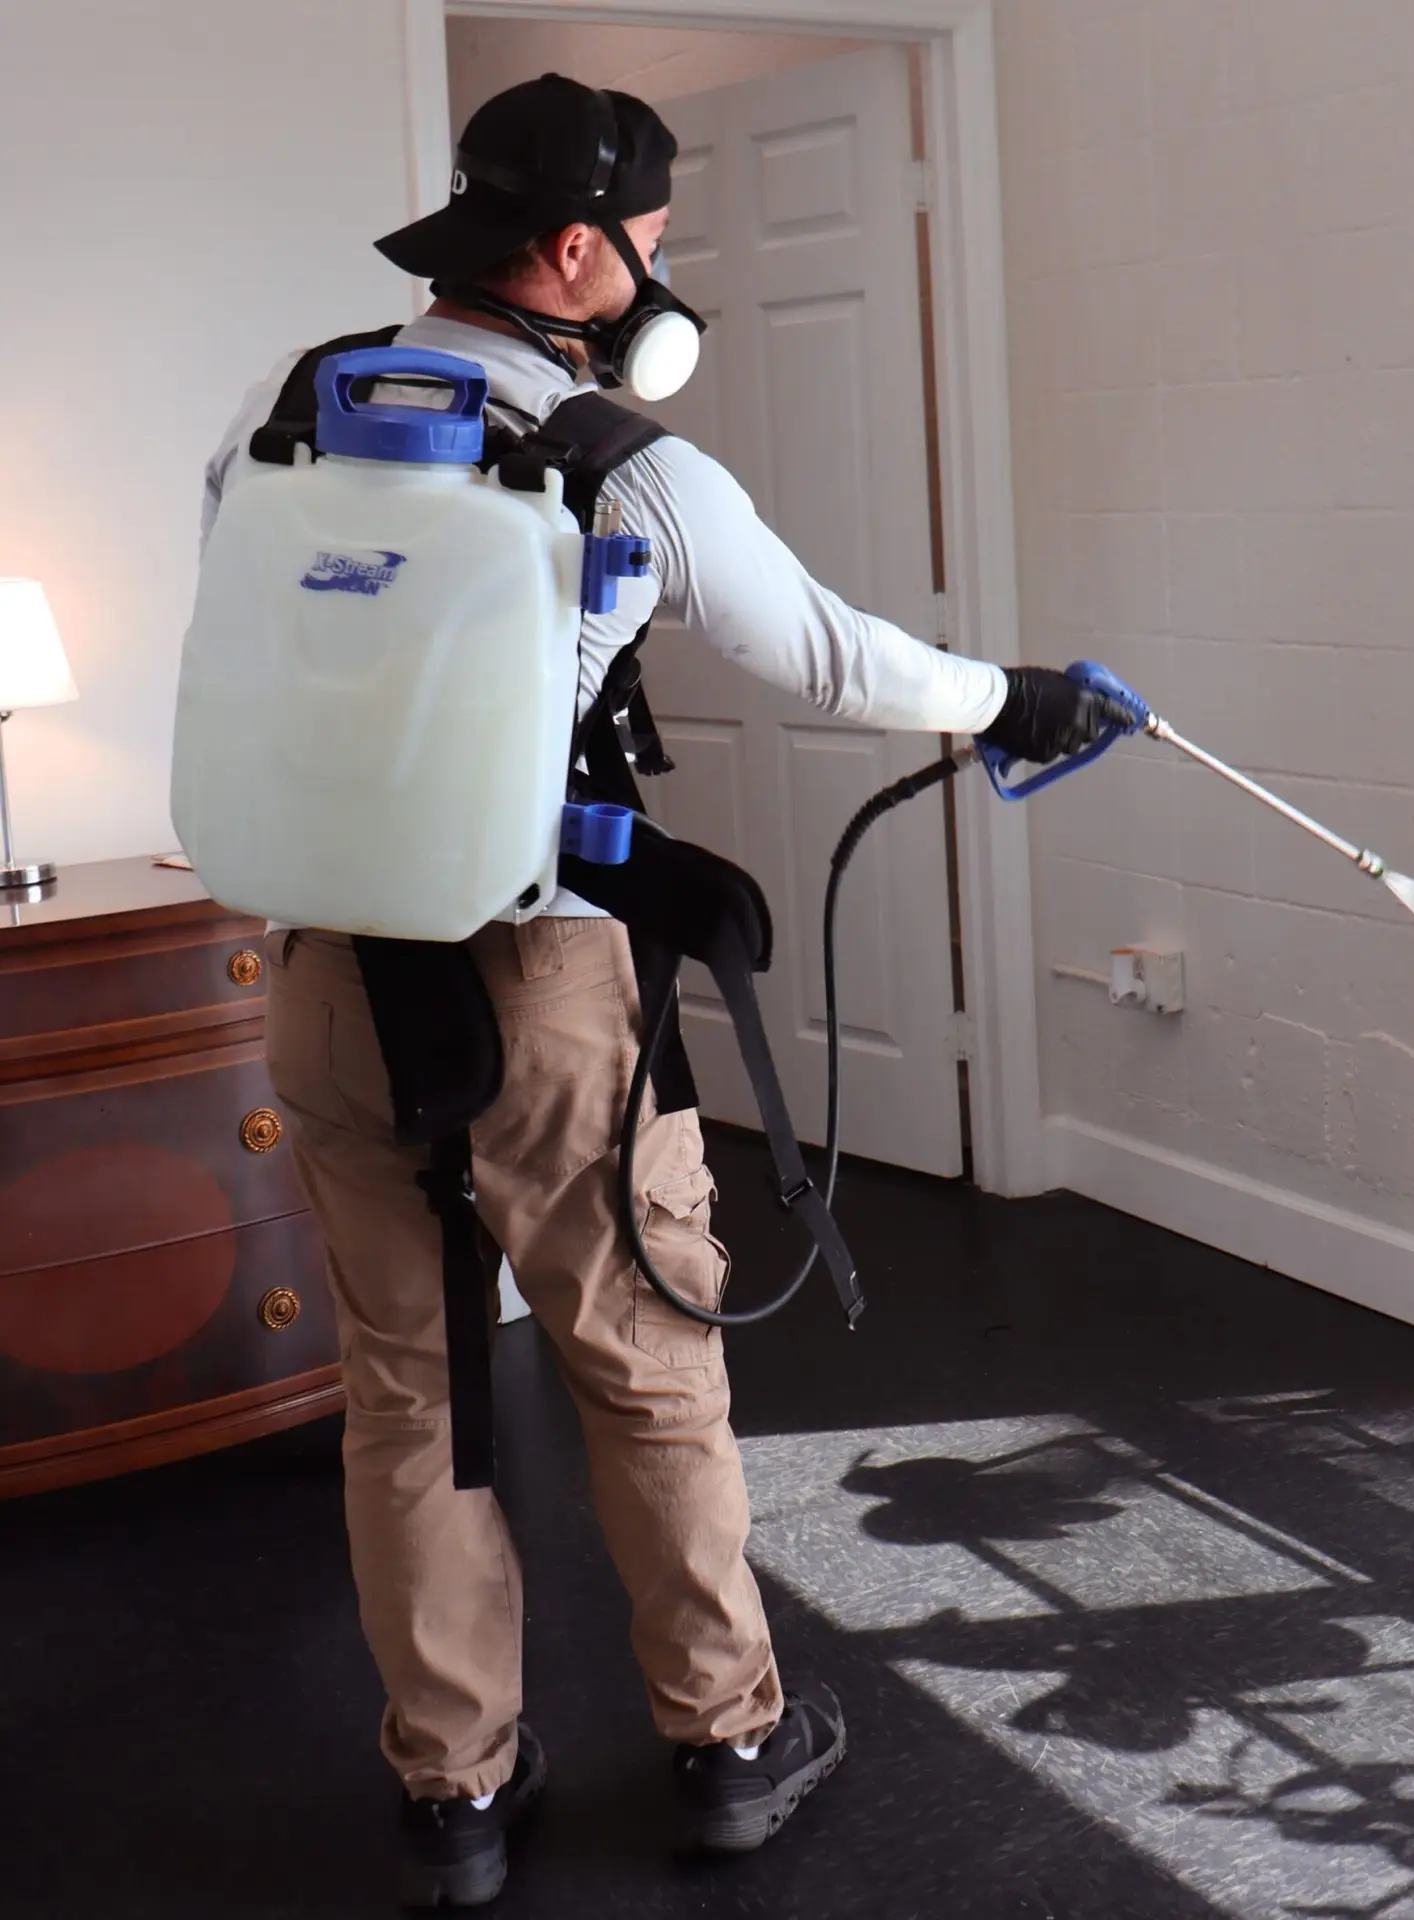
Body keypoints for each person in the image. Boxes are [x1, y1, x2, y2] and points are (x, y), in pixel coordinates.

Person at [198, 72, 1123, 1910]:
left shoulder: (282, 414)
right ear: (574, 251)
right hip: (545, 977)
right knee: (642, 1365)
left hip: (316, 974)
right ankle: (725, 1740)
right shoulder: (623, 458)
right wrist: (1010, 695)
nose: (659, 276)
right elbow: (832, 658)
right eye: (655, 244)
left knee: (403, 1392)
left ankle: (450, 1794)